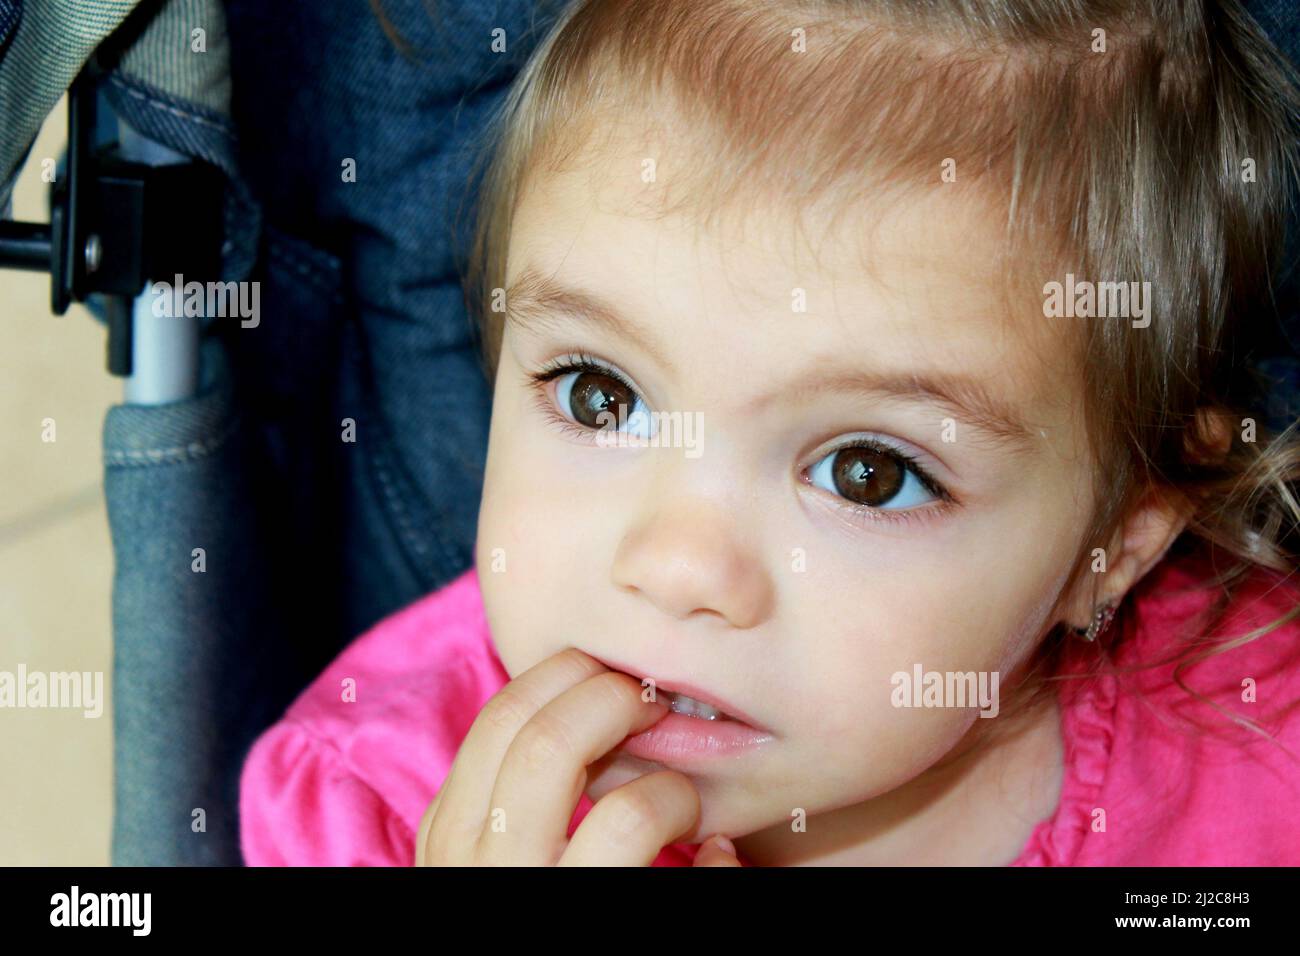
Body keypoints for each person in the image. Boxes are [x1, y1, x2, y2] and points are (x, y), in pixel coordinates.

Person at [239, 0, 1300, 866]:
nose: (674, 565)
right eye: (599, 394)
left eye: (868, 472)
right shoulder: (365, 807)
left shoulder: (1262, 758)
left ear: (1117, 539)